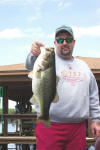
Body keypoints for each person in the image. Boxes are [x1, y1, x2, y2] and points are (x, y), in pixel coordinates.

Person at [25, 25, 100, 150]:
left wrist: (96, 120)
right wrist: (33, 54)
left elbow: (93, 95)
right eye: (60, 40)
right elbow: (29, 65)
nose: (64, 43)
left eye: (68, 39)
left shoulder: (84, 66)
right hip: (49, 125)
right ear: (55, 43)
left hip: (78, 128)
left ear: (74, 42)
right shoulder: (48, 60)